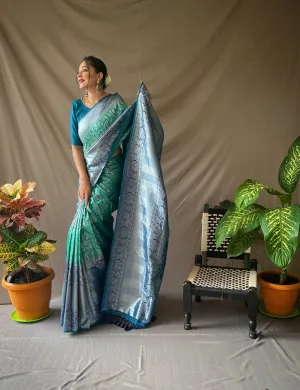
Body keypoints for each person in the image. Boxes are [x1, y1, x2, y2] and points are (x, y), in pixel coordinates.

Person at [60, 56, 169, 333]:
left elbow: (137, 136)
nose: (80, 74)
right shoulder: (76, 107)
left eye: (85, 70)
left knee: (85, 229)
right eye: (78, 71)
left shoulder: (117, 106)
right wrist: (83, 179)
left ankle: (98, 302)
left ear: (100, 75)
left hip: (110, 174)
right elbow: (76, 147)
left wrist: (142, 105)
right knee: (91, 231)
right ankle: (100, 300)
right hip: (89, 176)